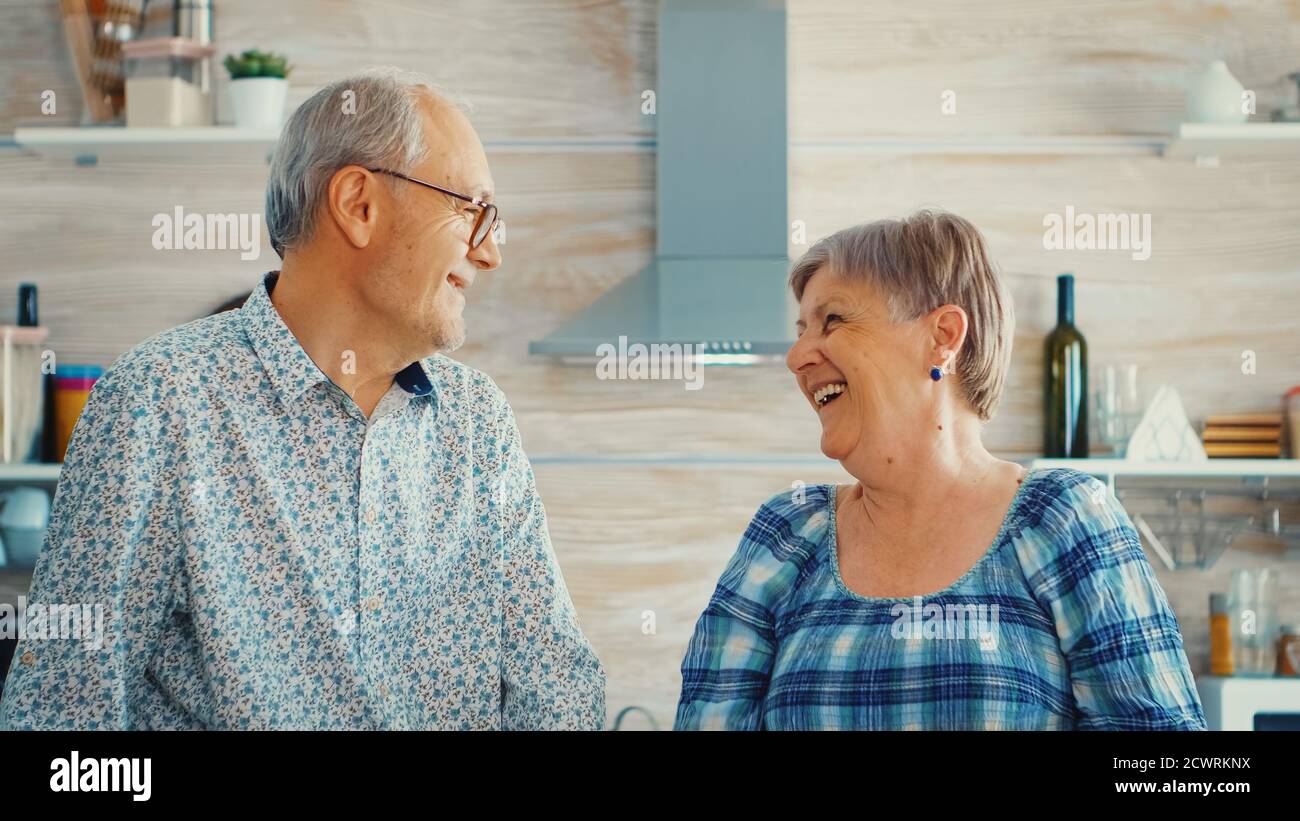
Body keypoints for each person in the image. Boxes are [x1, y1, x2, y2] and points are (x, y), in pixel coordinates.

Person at [0, 68, 605, 730]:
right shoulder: (157, 404)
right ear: (359, 203)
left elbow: (558, 690)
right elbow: (58, 723)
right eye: (473, 210)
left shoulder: (479, 422)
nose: (489, 253)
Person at [675, 210, 1205, 730]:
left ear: (943, 335)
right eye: (801, 329)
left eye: (833, 320)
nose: (797, 356)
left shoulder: (1063, 518)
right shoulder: (788, 531)